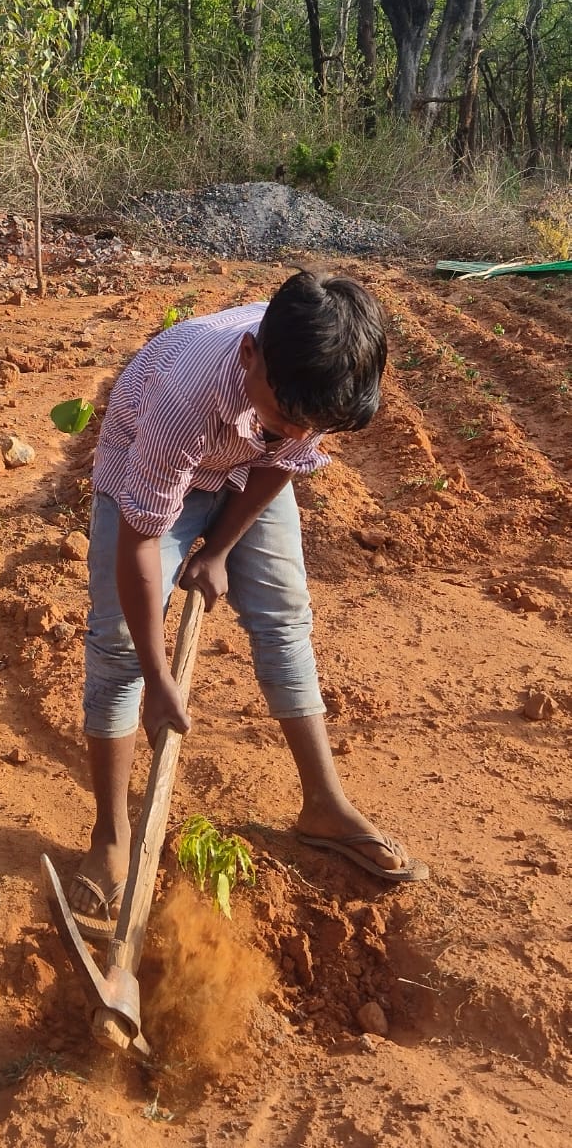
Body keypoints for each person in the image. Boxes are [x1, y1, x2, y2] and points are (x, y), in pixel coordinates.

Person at [68, 269, 427, 939]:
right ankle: (111, 837)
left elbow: (284, 459)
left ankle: (324, 805)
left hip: (246, 467)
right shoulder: (186, 397)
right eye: (288, 415)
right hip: (150, 471)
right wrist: (158, 676)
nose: (301, 428)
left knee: (285, 618)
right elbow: (141, 547)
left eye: (312, 423)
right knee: (119, 650)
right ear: (248, 358)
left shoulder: (317, 376)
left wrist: (221, 548)